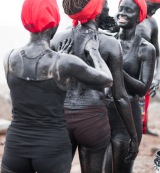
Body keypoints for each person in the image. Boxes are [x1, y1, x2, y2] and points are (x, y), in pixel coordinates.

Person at [1, 0, 114, 172]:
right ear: (54, 22)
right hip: (51, 148)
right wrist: (93, 52)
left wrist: (57, 59)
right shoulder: (64, 62)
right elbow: (107, 79)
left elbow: (31, 91)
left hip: (15, 147)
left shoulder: (9, 58)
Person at [51, 0, 139, 172]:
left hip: (61, 118)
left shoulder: (57, 39)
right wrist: (133, 136)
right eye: (105, 3)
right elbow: (119, 96)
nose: (108, 7)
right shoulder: (110, 43)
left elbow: (50, 84)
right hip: (92, 120)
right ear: (96, 9)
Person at [104, 0, 156, 172]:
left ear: (139, 17)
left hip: (126, 120)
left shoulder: (146, 49)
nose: (122, 13)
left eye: (129, 10)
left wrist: (118, 69)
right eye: (120, 9)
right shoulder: (107, 42)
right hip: (103, 115)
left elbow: (142, 88)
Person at [136, 0, 160, 135]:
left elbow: (158, 56)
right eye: (152, 7)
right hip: (126, 74)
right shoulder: (126, 16)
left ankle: (144, 128)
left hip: (144, 75)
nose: (154, 12)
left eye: (158, 9)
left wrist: (157, 78)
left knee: (142, 110)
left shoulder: (151, 23)